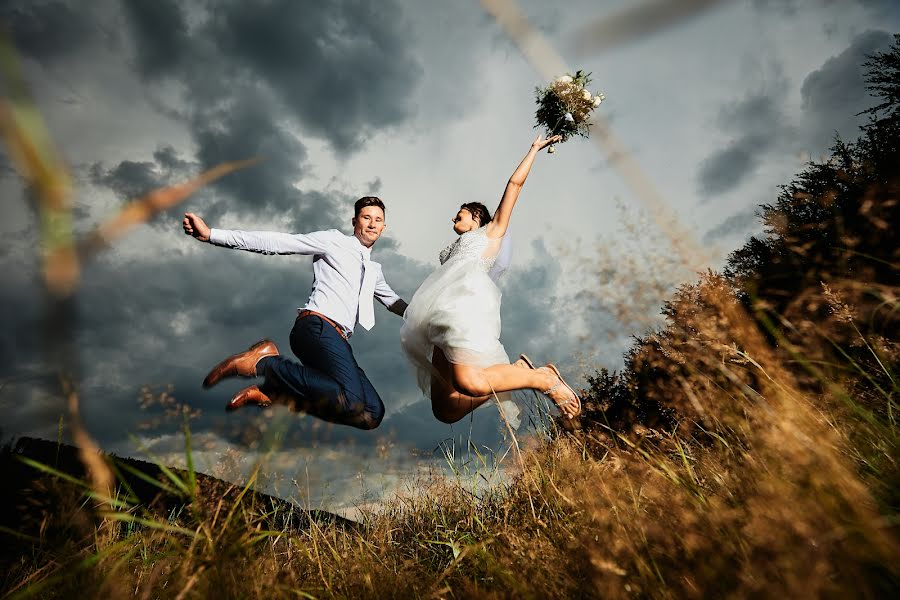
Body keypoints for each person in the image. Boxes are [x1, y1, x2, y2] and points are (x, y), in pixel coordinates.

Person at [400, 134, 582, 425]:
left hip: (464, 308)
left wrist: (534, 149)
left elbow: (514, 185)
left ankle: (539, 378)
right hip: (437, 315)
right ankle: (516, 372)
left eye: (459, 214)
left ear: (475, 216)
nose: (452, 219)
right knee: (446, 409)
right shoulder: (450, 250)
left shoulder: (491, 232)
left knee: (470, 384)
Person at [182, 196, 407, 430]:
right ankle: (264, 362)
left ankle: (279, 393)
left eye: (378, 220)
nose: (372, 224)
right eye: (366, 218)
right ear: (354, 221)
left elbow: (394, 303)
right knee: (352, 401)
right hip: (316, 328)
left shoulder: (374, 270)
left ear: (383, 227)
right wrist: (212, 235)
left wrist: (436, 318)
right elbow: (279, 242)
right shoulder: (333, 241)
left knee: (371, 413)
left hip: (336, 340)